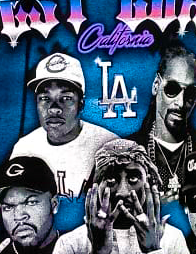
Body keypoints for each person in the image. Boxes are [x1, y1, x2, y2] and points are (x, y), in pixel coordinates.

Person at [48, 138, 193, 254]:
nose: (123, 192)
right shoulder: (70, 245)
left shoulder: (172, 240)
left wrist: (153, 252)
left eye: (133, 178)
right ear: (96, 186)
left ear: (148, 182)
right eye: (111, 180)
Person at [11, 51, 117, 200]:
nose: (54, 108)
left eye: (66, 98)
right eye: (45, 98)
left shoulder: (108, 146)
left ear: (81, 104)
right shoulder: (24, 148)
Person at [129, 42, 196, 204]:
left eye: (191, 93)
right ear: (156, 85)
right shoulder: (126, 154)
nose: (180, 102)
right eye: (172, 89)